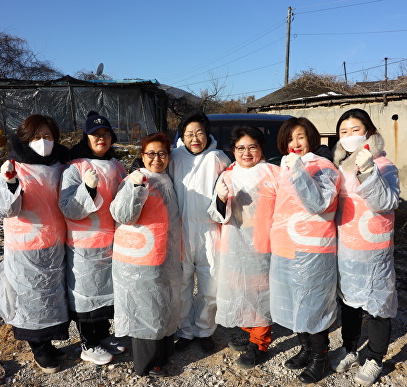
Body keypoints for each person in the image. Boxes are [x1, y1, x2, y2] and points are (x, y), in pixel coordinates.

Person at [0, 114, 70, 374]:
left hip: (55, 240)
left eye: (48, 136)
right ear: (24, 138)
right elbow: (3, 208)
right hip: (26, 245)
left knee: (51, 294)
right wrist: (11, 182)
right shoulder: (15, 166)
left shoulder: (59, 164)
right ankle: (39, 348)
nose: (43, 142)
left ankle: (49, 342)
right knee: (32, 297)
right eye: (36, 137)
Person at [329, 109, 400, 387]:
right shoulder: (339, 168)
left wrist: (369, 171)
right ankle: (349, 348)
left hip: (374, 248)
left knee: (379, 304)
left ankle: (375, 358)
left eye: (355, 130)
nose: (349, 137)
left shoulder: (385, 165)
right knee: (349, 302)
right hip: (347, 246)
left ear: (369, 132)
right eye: (343, 132)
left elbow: (387, 202)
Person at [269, 117, 341, 384]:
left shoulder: (323, 167)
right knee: (293, 301)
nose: (295, 144)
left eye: (300, 137)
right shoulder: (285, 166)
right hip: (286, 245)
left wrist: (299, 170)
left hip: (312, 249)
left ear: (310, 137)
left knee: (313, 304)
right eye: (289, 139)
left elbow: (318, 203)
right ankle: (306, 349)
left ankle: (320, 358)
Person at [109, 133, 182, 377]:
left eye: (161, 153)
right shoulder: (135, 179)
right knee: (145, 309)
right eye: (151, 153)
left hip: (163, 254)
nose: (156, 158)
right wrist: (136, 187)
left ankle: (163, 353)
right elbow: (122, 214)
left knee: (162, 304)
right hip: (139, 259)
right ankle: (147, 364)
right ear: (142, 156)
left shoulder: (165, 179)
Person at [58, 111, 127, 366]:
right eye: (96, 134)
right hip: (84, 243)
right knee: (88, 293)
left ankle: (103, 335)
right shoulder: (75, 167)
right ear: (86, 137)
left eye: (106, 134)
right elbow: (68, 207)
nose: (102, 138)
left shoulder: (117, 166)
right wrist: (86, 189)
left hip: (112, 240)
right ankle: (88, 343)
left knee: (107, 290)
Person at [207, 126, 279, 369]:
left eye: (252, 147)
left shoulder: (274, 173)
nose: (246, 153)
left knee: (260, 293)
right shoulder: (227, 175)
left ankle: (260, 343)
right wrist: (221, 198)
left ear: (260, 149)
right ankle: (249, 330)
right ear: (233, 150)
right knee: (239, 289)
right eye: (240, 148)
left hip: (263, 245)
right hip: (234, 244)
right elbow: (216, 214)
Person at [168, 111, 231, 353]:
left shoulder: (217, 157)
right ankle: (184, 330)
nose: (195, 138)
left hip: (209, 229)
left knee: (209, 283)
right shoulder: (175, 157)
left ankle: (205, 330)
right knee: (181, 284)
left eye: (199, 133)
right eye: (189, 133)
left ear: (208, 134)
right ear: (182, 136)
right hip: (181, 229)